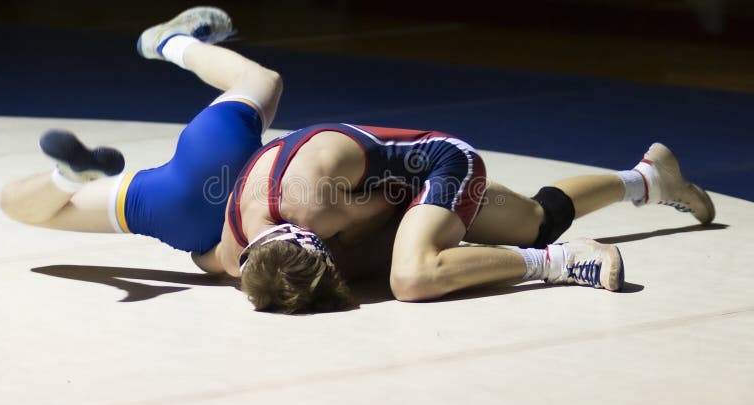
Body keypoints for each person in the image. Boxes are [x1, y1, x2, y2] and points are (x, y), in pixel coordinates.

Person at [205, 122, 715, 313]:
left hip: (441, 160)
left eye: (330, 250)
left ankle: (561, 261)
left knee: (410, 275)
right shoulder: (225, 257)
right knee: (535, 217)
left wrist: (422, 235)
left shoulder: (317, 203)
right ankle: (649, 178)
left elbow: (394, 202)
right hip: (378, 183)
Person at [0, 6, 283, 256]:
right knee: (28, 210)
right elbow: (220, 262)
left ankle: (172, 41)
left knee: (259, 78)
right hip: (196, 221)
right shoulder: (293, 248)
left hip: (228, 156)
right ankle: (68, 178)